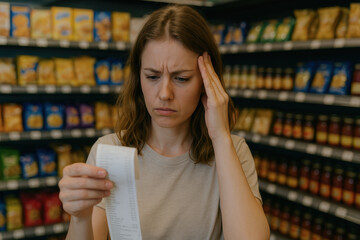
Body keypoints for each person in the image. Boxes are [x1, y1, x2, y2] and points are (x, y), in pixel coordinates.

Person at [59, 4, 270, 240]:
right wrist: (80, 217)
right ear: (138, 77)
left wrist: (220, 136)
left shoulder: (233, 151)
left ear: (207, 81)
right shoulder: (110, 151)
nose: (164, 93)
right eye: (152, 76)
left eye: (181, 78)